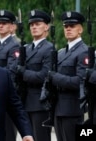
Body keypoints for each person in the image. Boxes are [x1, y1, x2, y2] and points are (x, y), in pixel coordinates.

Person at [49, 11, 88, 141]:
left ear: (80, 29)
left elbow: (81, 81)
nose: (68, 29)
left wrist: (55, 78)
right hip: (58, 108)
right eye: (66, 26)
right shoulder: (60, 53)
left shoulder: (84, 52)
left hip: (72, 109)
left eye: (72, 26)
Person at [17, 9, 53, 141]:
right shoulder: (26, 48)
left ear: (46, 27)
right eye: (32, 25)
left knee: (40, 138)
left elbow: (44, 75)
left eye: (38, 24)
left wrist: (23, 73)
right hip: (25, 101)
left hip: (39, 103)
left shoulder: (49, 48)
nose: (34, 27)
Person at [0, 9, 21, 141]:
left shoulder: (14, 45)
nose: (1, 25)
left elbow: (11, 73)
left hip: (4, 94)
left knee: (7, 133)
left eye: (4, 23)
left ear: (11, 26)